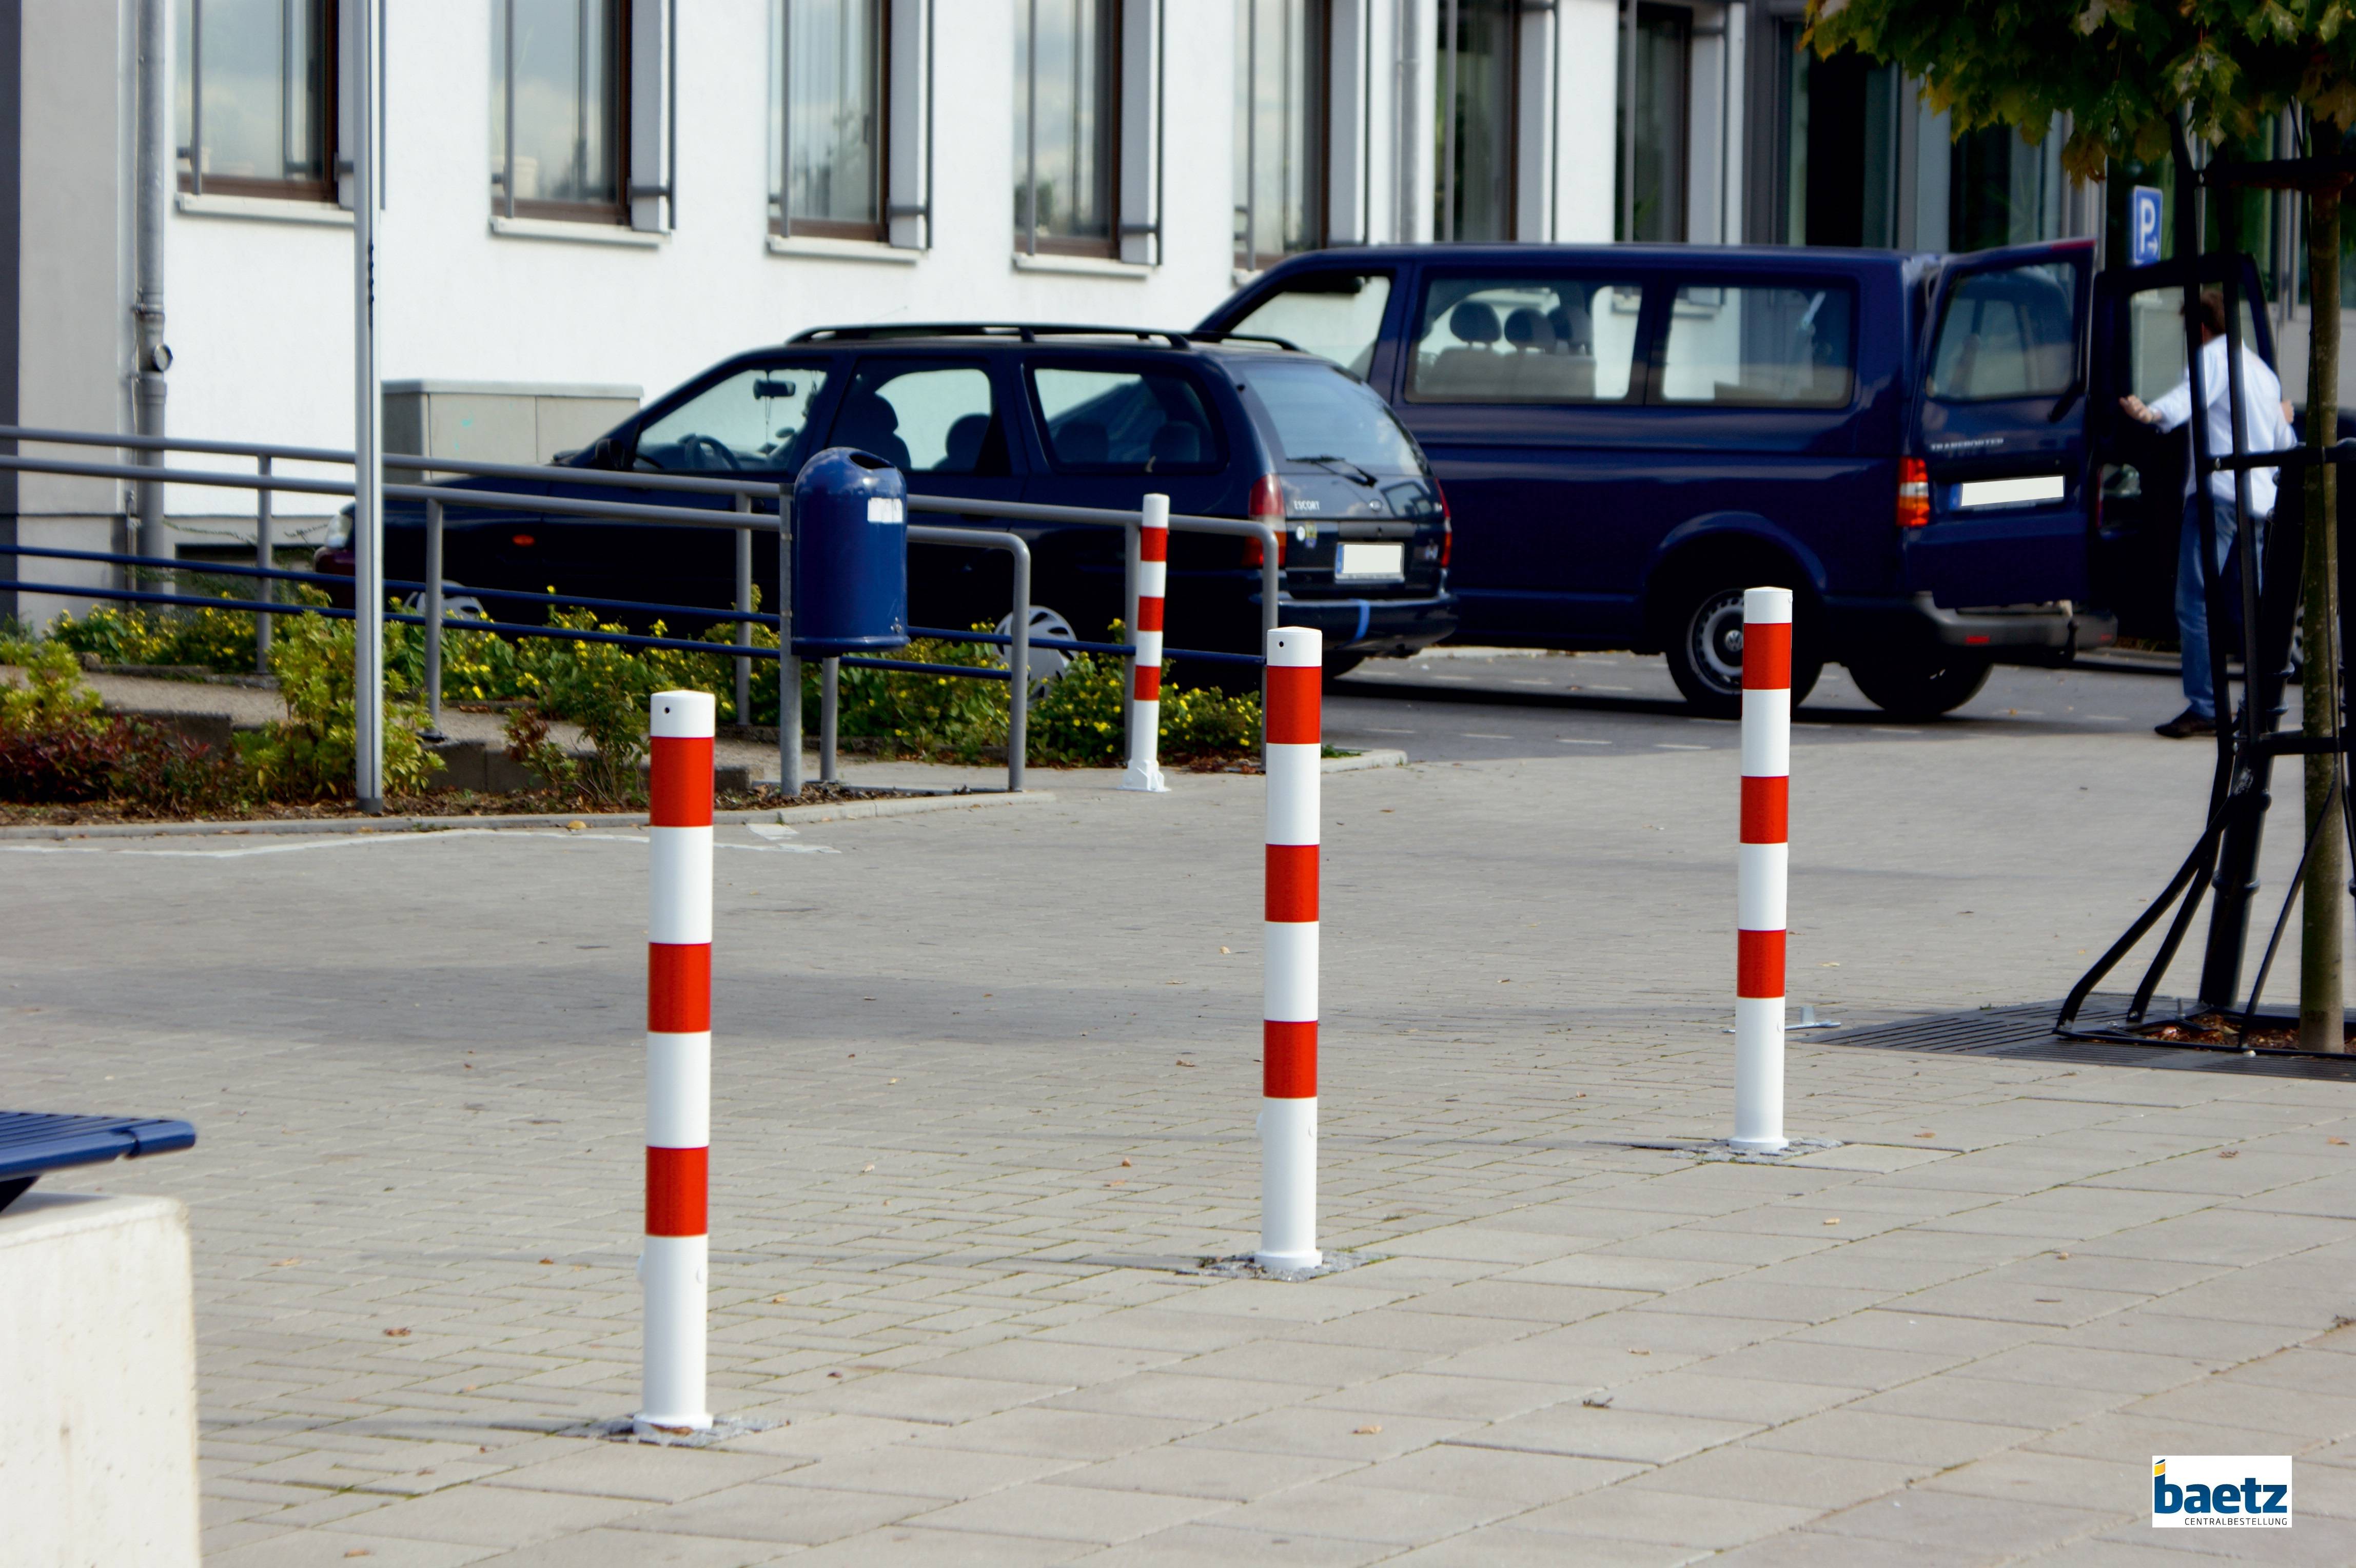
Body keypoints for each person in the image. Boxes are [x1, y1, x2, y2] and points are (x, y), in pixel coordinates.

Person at [2121, 290, 2295, 738]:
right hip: (2256, 501)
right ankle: (2260, 704)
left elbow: (2187, 399)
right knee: (2249, 606)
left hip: (2218, 494)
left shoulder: (2213, 358)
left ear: (2200, 329)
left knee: (2195, 601)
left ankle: (2205, 705)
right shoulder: (2262, 372)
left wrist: (2151, 412)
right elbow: (2283, 441)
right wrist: (2285, 420)